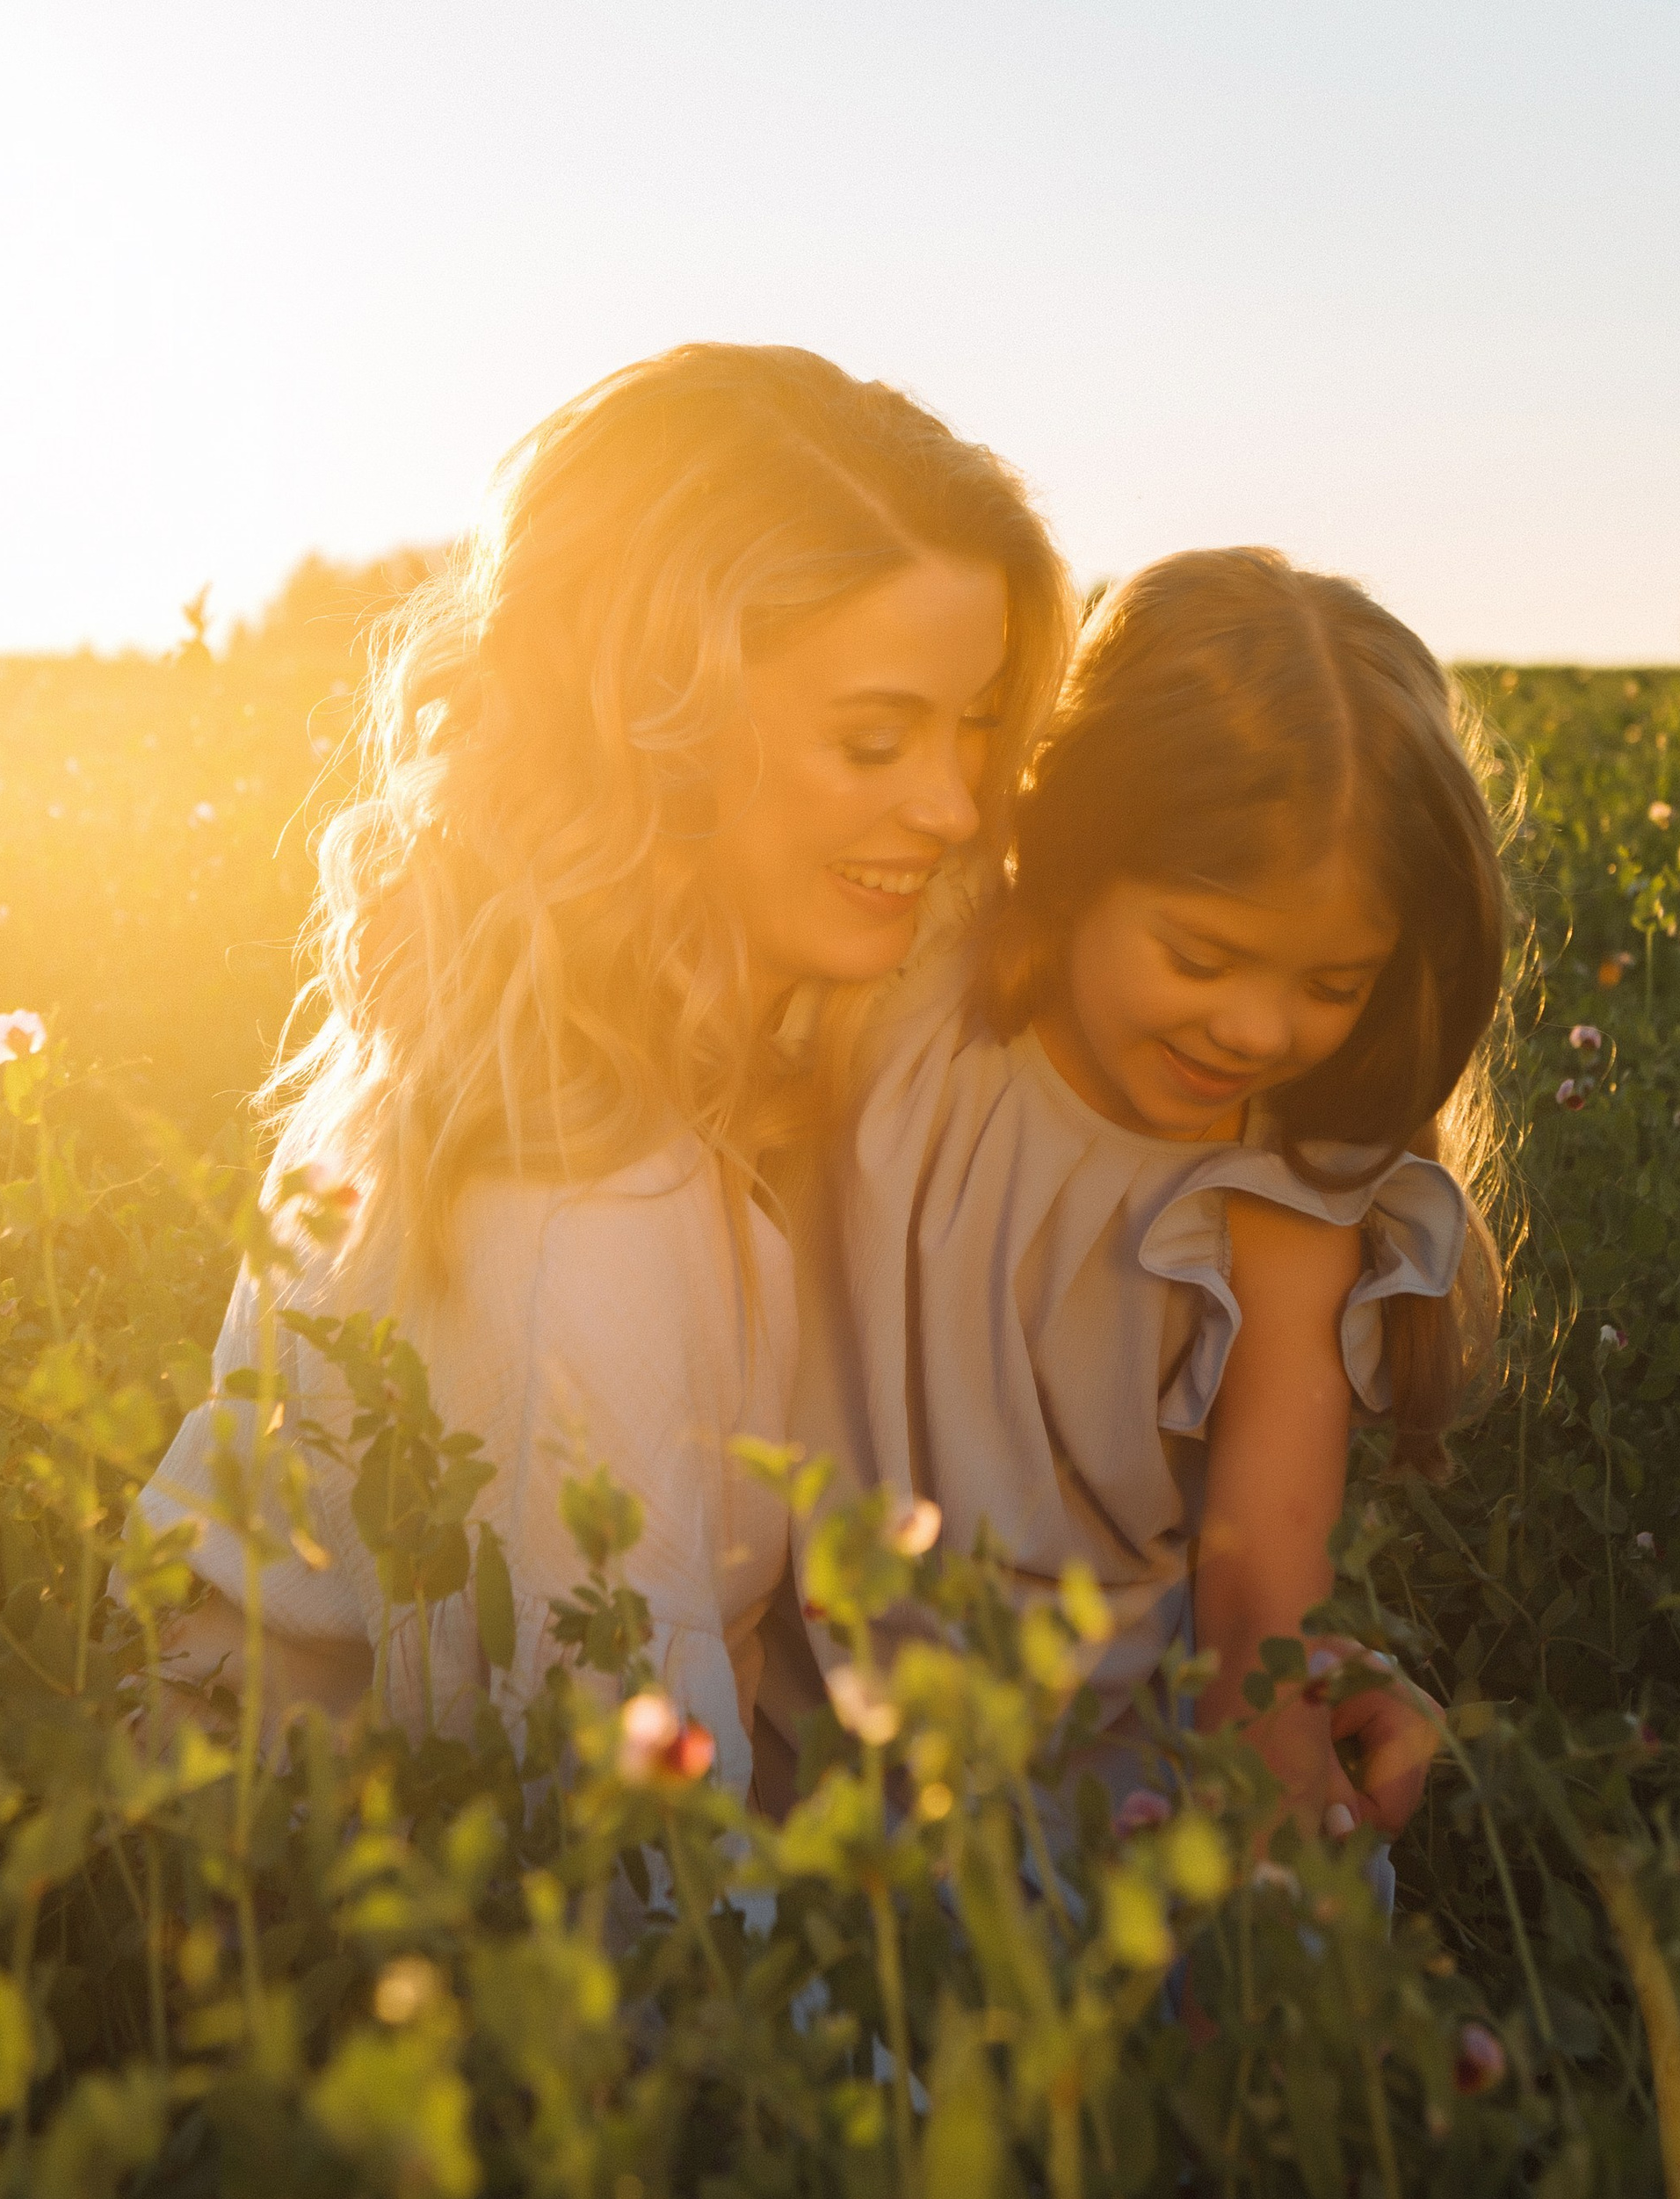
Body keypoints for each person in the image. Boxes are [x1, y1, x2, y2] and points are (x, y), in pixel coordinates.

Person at [129, 344, 1074, 1795]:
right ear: (655, 734)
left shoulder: (687, 1050)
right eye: (874, 736)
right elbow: (636, 1880)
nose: (952, 803)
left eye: (977, 725)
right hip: (327, 1962)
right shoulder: (579, 1211)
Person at [787, 546, 1510, 1844]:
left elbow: (1257, 1590)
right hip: (800, 1702)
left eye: (1333, 984)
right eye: (1203, 953)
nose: (1256, 1027)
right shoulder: (920, 986)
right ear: (1074, 859)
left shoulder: (1288, 1194)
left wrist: (1272, 1803)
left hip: (1098, 1763)